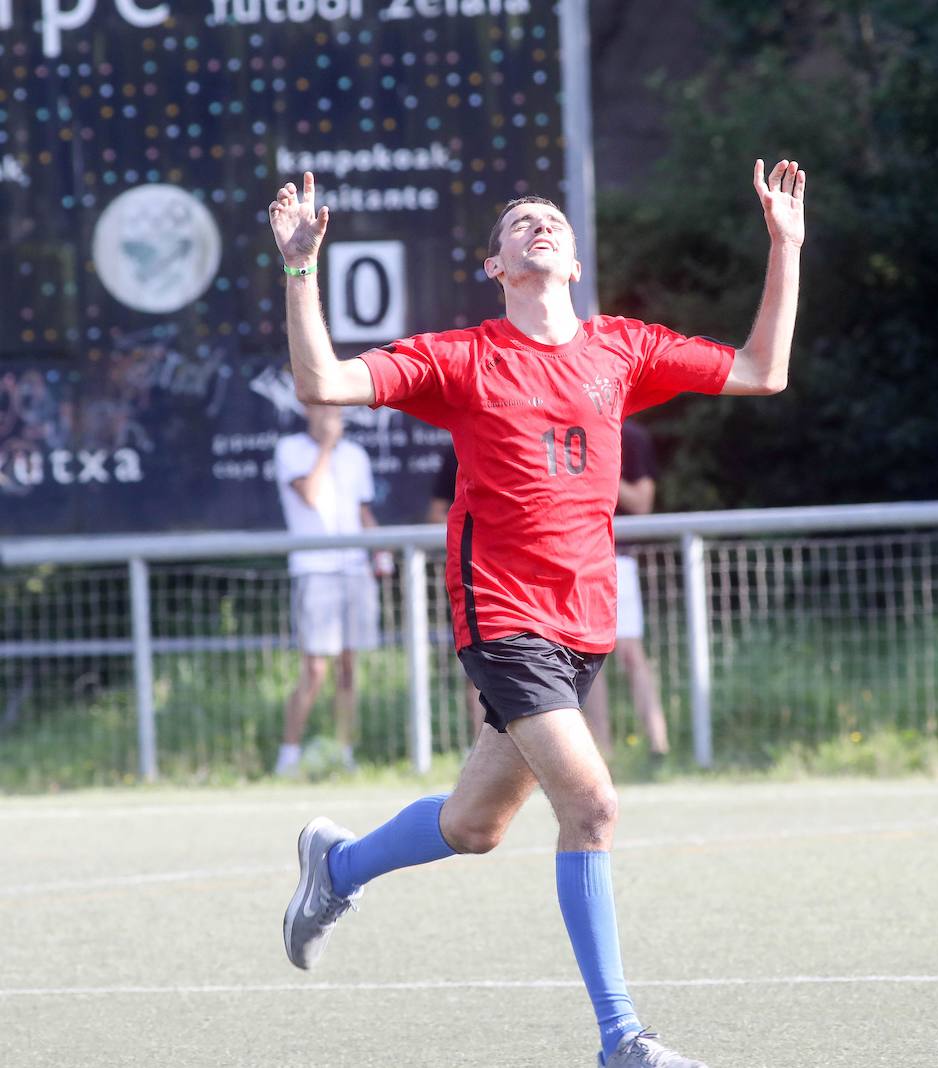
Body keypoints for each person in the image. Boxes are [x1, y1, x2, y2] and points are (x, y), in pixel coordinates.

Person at [268, 156, 805, 1068]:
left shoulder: (622, 349)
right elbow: (322, 382)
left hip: (584, 622)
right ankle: (621, 1038)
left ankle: (338, 868)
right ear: (497, 267)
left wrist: (786, 248)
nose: (539, 224)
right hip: (504, 614)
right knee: (591, 805)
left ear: (576, 261)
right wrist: (299, 268)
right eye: (519, 223)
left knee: (475, 827)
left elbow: (763, 370)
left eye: (550, 218)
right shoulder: (462, 358)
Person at [271, 403, 383, 776]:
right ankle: (288, 756)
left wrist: (379, 554)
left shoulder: (356, 456)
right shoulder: (290, 450)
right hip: (314, 571)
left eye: (336, 412)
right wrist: (325, 449)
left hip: (354, 571)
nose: (331, 418)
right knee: (315, 669)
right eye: (323, 412)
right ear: (308, 412)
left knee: (349, 668)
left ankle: (344, 751)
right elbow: (311, 495)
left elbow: (362, 512)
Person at [583, 419, 670, 763]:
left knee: (631, 653)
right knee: (590, 659)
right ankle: (602, 753)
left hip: (618, 561)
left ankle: (658, 747)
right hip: (579, 558)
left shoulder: (631, 436)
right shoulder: (563, 427)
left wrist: (595, 469)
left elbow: (642, 502)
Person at [426, 447, 485, 743]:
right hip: (476, 578)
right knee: (482, 673)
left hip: (521, 579)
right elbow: (437, 512)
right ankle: (480, 751)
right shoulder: (458, 451)